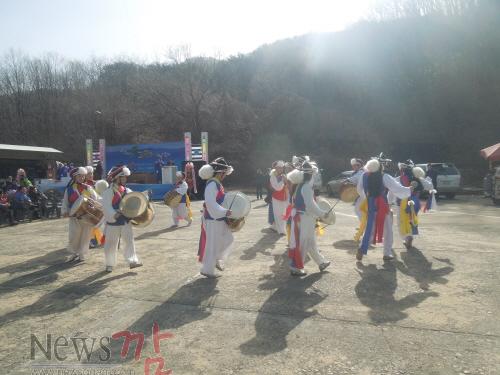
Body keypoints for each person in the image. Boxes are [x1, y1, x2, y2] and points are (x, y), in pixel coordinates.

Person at [356, 157, 413, 261]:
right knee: (388, 229)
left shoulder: (364, 176)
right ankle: (387, 253)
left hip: (370, 205)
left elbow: (359, 190)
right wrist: (409, 189)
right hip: (382, 205)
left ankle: (361, 248)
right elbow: (397, 188)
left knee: (370, 228)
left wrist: (367, 198)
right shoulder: (384, 176)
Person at [287, 161, 331, 276]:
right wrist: (322, 213)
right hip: (304, 217)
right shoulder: (306, 187)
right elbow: (310, 205)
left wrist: (319, 214)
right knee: (304, 242)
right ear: (311, 174)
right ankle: (295, 267)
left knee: (310, 242)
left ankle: (321, 262)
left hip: (302, 216)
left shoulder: (300, 185)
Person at [197, 157, 234, 278]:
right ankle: (207, 269)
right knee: (212, 244)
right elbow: (211, 203)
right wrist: (225, 211)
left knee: (227, 239)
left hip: (217, 218)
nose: (225, 175)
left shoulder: (216, 184)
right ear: (220, 173)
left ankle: (216, 259)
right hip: (213, 219)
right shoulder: (212, 184)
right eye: (224, 173)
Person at [102, 165, 143, 272]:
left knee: (129, 241)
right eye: (123, 177)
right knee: (111, 243)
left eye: (125, 177)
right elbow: (106, 206)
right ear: (117, 178)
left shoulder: (127, 190)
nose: (125, 179)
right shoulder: (108, 192)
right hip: (113, 222)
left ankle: (132, 261)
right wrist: (113, 214)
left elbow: (133, 201)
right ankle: (109, 264)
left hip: (125, 221)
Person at [393, 160, 434, 249]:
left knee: (401, 221)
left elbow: (392, 191)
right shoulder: (419, 179)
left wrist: (389, 202)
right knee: (412, 220)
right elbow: (430, 186)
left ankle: (407, 237)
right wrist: (428, 179)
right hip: (414, 203)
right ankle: (410, 236)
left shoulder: (398, 179)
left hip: (401, 203)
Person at [61, 167, 98, 262]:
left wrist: (92, 203)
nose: (82, 178)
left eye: (83, 176)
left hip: (87, 216)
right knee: (74, 235)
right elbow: (65, 201)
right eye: (79, 176)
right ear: (74, 177)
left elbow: (95, 198)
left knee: (85, 236)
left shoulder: (88, 188)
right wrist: (65, 211)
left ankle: (82, 253)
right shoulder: (69, 189)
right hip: (74, 216)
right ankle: (74, 253)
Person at [269, 161, 288, 235]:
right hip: (276, 198)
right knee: (278, 214)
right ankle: (281, 231)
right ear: (275, 168)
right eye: (278, 168)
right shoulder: (272, 176)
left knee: (284, 214)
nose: (280, 169)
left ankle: (278, 228)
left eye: (281, 168)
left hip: (284, 197)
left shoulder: (284, 175)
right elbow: (278, 188)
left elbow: (288, 186)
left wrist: (286, 181)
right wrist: (283, 181)